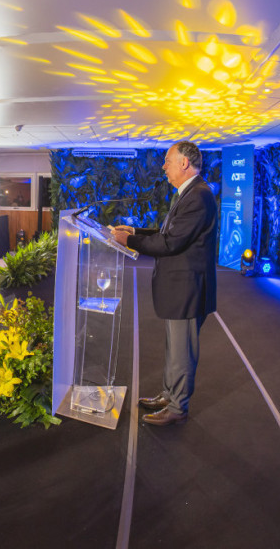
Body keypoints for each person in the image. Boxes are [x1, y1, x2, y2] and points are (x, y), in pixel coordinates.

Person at [112, 141, 217, 427]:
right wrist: (134, 231)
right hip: (180, 290)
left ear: (184, 163)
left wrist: (130, 241)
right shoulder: (188, 193)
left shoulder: (199, 196)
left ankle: (177, 406)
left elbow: (171, 242)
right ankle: (169, 395)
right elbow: (167, 231)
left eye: (168, 161)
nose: (163, 166)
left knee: (182, 352)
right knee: (175, 349)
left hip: (188, 290)